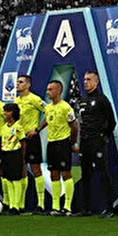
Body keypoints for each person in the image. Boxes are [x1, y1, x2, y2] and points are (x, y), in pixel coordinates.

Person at [77, 70, 118, 217]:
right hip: (85, 142)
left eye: (89, 79)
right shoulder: (82, 100)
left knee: (103, 173)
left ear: (96, 82)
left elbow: (111, 122)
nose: (85, 82)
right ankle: (86, 208)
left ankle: (110, 208)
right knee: (85, 175)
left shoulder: (102, 99)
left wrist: (102, 136)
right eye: (84, 79)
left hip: (97, 142)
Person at [37, 80, 77, 215]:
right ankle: (56, 206)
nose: (48, 92)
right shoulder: (48, 108)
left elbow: (74, 125)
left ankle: (67, 206)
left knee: (65, 173)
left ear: (58, 91)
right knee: (53, 174)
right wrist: (38, 129)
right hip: (51, 143)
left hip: (63, 143)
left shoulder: (66, 107)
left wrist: (71, 143)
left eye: (51, 89)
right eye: (48, 89)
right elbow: (47, 120)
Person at [14, 75, 46, 213]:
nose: (17, 84)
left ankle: (41, 204)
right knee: (21, 170)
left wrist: (37, 129)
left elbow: (49, 111)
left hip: (31, 138)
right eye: (17, 82)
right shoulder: (15, 101)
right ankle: (21, 203)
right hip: (18, 139)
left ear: (28, 85)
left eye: (20, 82)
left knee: (36, 169)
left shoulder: (34, 99)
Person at [0, 103, 26, 215]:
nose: (5, 113)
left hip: (15, 154)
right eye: (5, 111)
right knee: (8, 180)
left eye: (8, 111)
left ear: (13, 113)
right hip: (5, 154)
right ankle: (11, 204)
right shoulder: (4, 127)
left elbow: (23, 143)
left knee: (16, 180)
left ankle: (16, 206)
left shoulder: (18, 127)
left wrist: (22, 158)